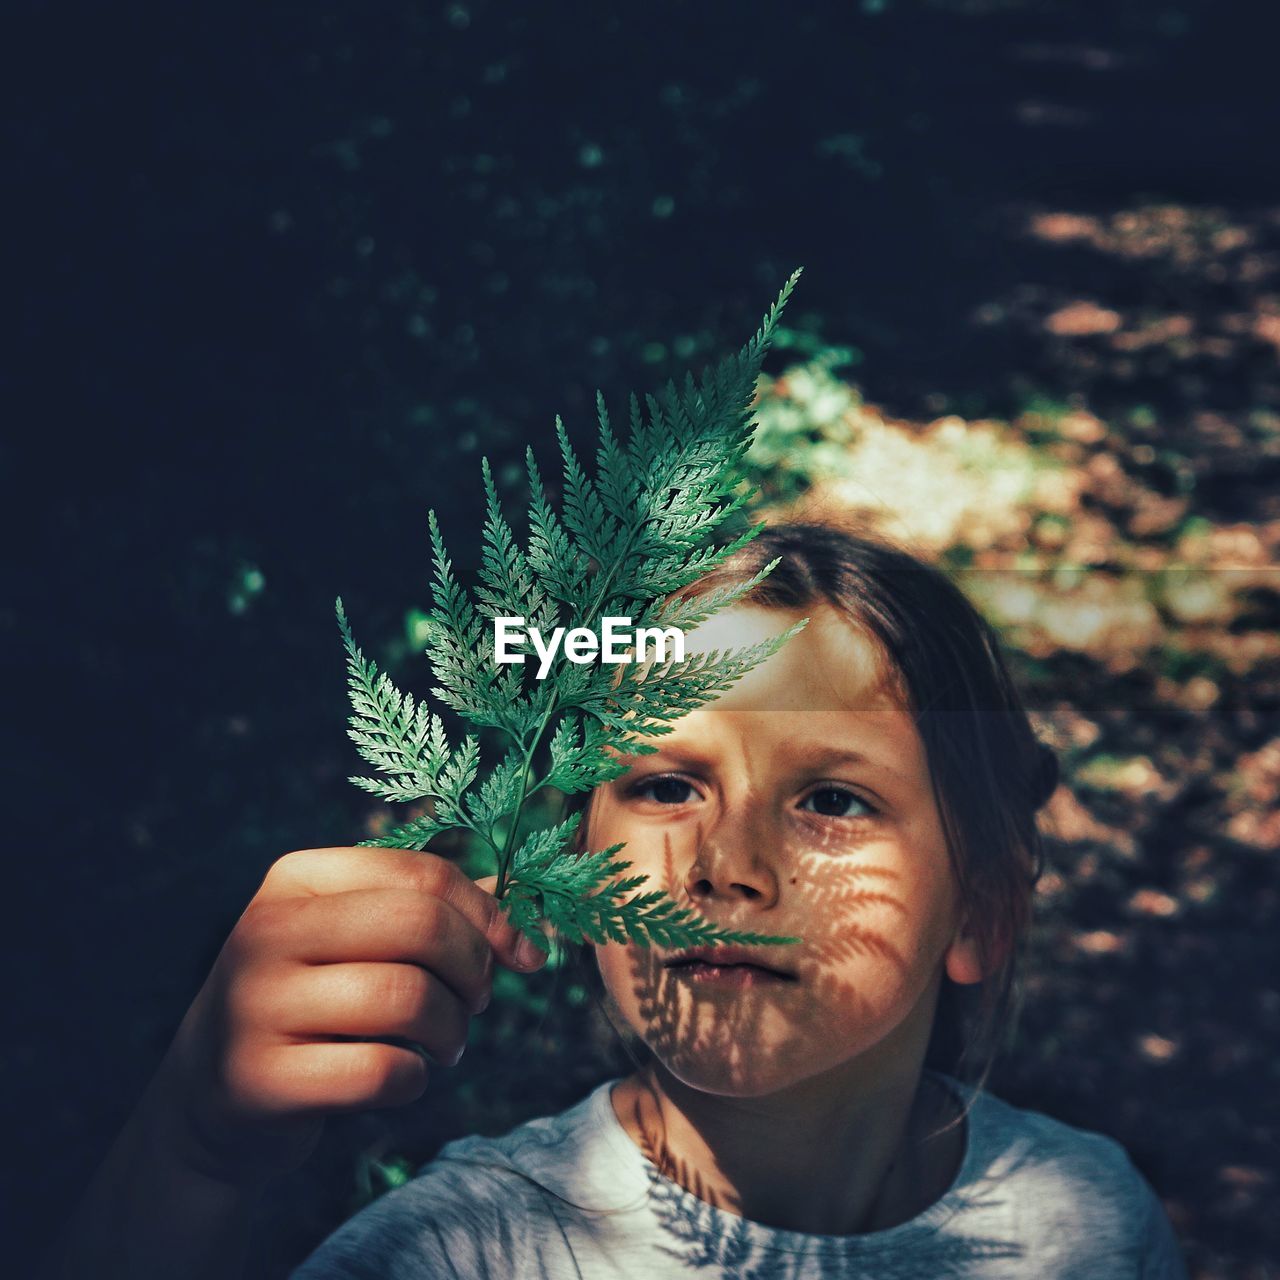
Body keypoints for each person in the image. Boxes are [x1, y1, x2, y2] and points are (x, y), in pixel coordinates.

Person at [52, 522, 1187, 1279]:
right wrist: (186, 1160)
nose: (723, 862)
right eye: (663, 783)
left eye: (832, 797)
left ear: (980, 910)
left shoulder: (1084, 1220)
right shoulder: (462, 1251)